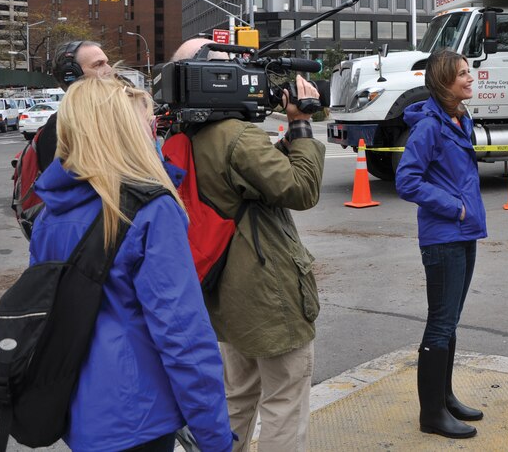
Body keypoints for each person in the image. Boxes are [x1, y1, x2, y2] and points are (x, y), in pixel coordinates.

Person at [29, 76, 233, 452]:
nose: (153, 132)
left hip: (79, 410)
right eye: (148, 123)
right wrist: (214, 434)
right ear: (124, 131)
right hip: (139, 414)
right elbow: (183, 336)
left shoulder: (48, 213)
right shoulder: (149, 210)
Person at [170, 38, 325, 452]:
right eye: (229, 69)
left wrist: (283, 144)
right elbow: (300, 188)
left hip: (225, 291)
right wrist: (301, 126)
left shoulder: (187, 132)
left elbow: (251, 179)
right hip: (267, 292)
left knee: (237, 395)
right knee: (284, 398)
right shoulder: (236, 135)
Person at [395, 50, 488, 439]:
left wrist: (465, 215)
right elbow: (407, 180)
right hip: (444, 235)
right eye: (462, 74)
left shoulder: (458, 118)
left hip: (462, 233)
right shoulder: (429, 127)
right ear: (443, 82)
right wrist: (456, 209)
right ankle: (431, 414)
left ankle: (445, 398)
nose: (470, 78)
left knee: (449, 322)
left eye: (469, 71)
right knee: (439, 323)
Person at [35, 40, 116, 171]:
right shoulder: (59, 128)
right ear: (72, 75)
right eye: (99, 64)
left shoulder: (113, 114)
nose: (109, 70)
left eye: (107, 62)